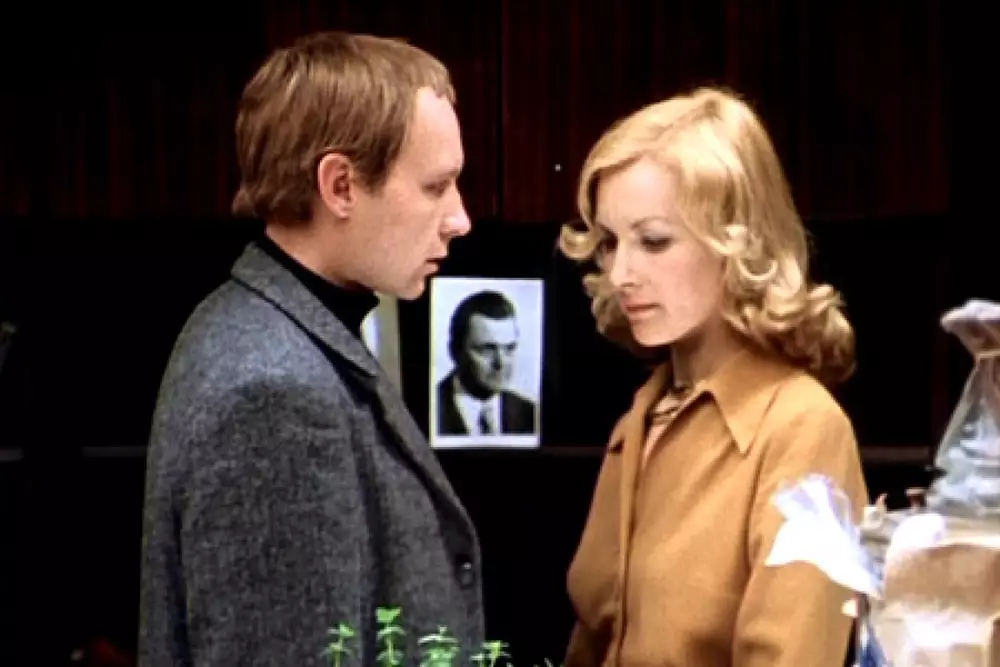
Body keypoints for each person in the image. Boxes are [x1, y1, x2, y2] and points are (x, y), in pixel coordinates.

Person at [138, 32, 484, 666]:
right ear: (340, 185)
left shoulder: (269, 326)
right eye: (437, 187)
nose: (460, 218)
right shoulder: (272, 391)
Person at [557, 87, 868, 667]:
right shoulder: (639, 421)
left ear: (739, 241)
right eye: (609, 243)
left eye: (653, 241)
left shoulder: (802, 429)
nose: (621, 273)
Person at [436, 290, 537, 437]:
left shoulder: (531, 414)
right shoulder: (431, 407)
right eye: (487, 349)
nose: (501, 363)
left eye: (509, 348)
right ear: (455, 351)